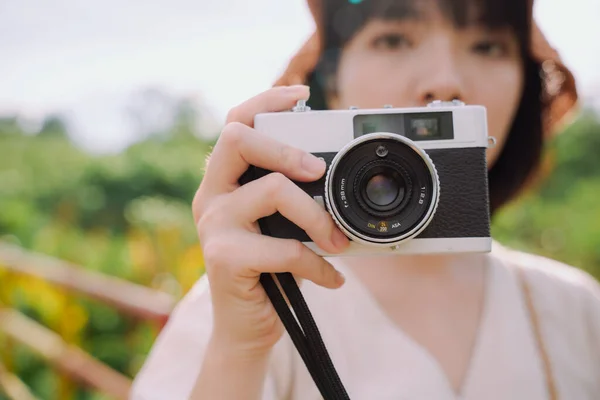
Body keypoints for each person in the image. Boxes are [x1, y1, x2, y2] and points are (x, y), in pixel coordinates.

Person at [130, 0, 600, 399]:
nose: (446, 81)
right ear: (329, 80)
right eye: (393, 39)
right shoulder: (249, 300)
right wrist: (238, 350)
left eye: (488, 45)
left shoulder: (573, 308)